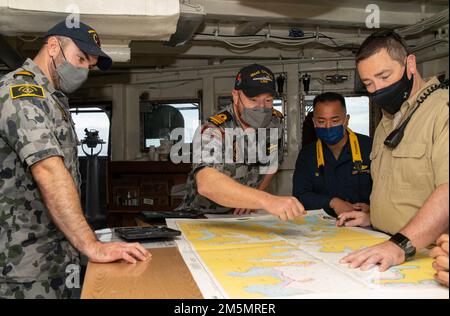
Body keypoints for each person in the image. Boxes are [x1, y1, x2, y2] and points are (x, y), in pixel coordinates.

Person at [0, 20, 150, 299]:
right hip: (22, 266)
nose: (83, 70)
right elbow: (48, 169)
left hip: (58, 257)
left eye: (89, 65)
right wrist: (92, 245)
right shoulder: (21, 93)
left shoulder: (52, 98)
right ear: (54, 46)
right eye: (80, 58)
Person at [339, 30, 449, 272]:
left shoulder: (442, 111)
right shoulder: (388, 120)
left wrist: (399, 245)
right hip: (384, 244)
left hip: (424, 255)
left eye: (384, 76)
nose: (377, 89)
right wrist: (374, 218)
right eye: (369, 83)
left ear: (410, 64)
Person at [177, 64, 305, 220]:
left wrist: (251, 200)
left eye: (268, 100)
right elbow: (206, 183)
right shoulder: (213, 128)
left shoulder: (274, 122)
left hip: (244, 215)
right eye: (253, 100)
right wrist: (265, 200)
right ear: (236, 96)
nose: (261, 107)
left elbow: (271, 165)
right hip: (203, 216)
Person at [292, 92, 372, 218]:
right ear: (314, 122)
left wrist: (373, 208)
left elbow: (387, 190)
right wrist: (333, 202)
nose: (328, 127)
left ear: (346, 120)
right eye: (321, 121)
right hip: (324, 226)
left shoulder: (370, 148)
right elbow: (300, 196)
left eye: (335, 120)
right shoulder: (307, 155)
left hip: (365, 223)